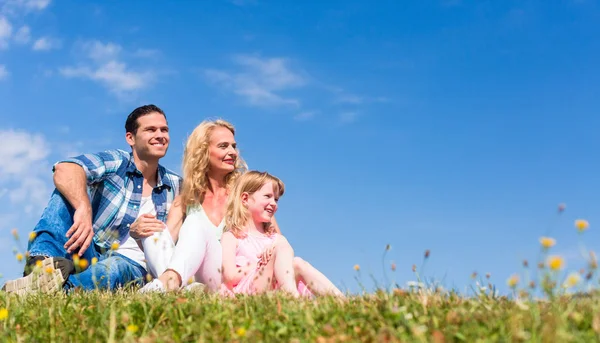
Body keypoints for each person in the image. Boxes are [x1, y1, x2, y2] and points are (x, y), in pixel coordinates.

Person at [2, 104, 181, 294]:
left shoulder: (177, 185)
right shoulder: (118, 162)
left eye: (164, 130)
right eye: (151, 129)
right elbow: (65, 168)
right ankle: (40, 267)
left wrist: (137, 235)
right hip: (88, 248)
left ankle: (60, 291)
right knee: (66, 192)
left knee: (113, 268)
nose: (160, 135)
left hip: (133, 265)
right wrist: (83, 207)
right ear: (131, 138)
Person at [220, 171, 344, 297]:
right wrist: (261, 264)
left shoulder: (276, 239)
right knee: (279, 247)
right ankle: (292, 296)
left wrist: (273, 258)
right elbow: (230, 276)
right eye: (267, 196)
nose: (274, 203)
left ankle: (341, 300)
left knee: (297, 262)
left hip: (274, 290)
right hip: (248, 293)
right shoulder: (231, 237)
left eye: (276, 199)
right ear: (245, 199)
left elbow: (286, 267)